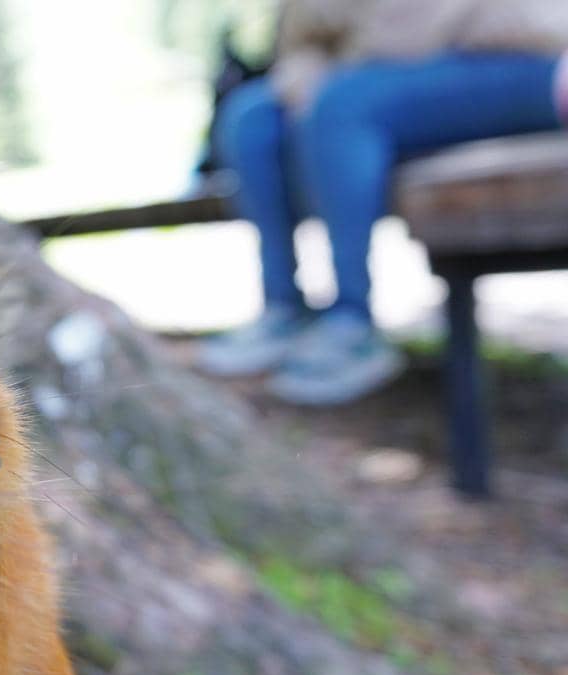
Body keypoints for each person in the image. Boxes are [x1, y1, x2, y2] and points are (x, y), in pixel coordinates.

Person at [198, 0, 568, 406]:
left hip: (531, 58)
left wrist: (350, 56)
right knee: (251, 118)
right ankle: (282, 308)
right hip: (379, 65)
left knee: (344, 104)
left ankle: (353, 321)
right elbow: (302, 32)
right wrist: (303, 71)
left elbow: (431, 28)